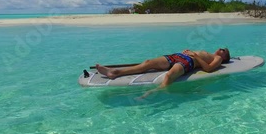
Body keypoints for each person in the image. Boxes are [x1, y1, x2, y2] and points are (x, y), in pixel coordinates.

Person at [95, 48, 230, 98]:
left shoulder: (217, 59)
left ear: (224, 57)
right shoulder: (211, 52)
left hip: (189, 61)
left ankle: (155, 92)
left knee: (169, 76)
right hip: (178, 56)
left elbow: (208, 69)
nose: (220, 49)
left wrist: (195, 55)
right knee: (148, 63)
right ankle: (115, 72)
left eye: (223, 50)